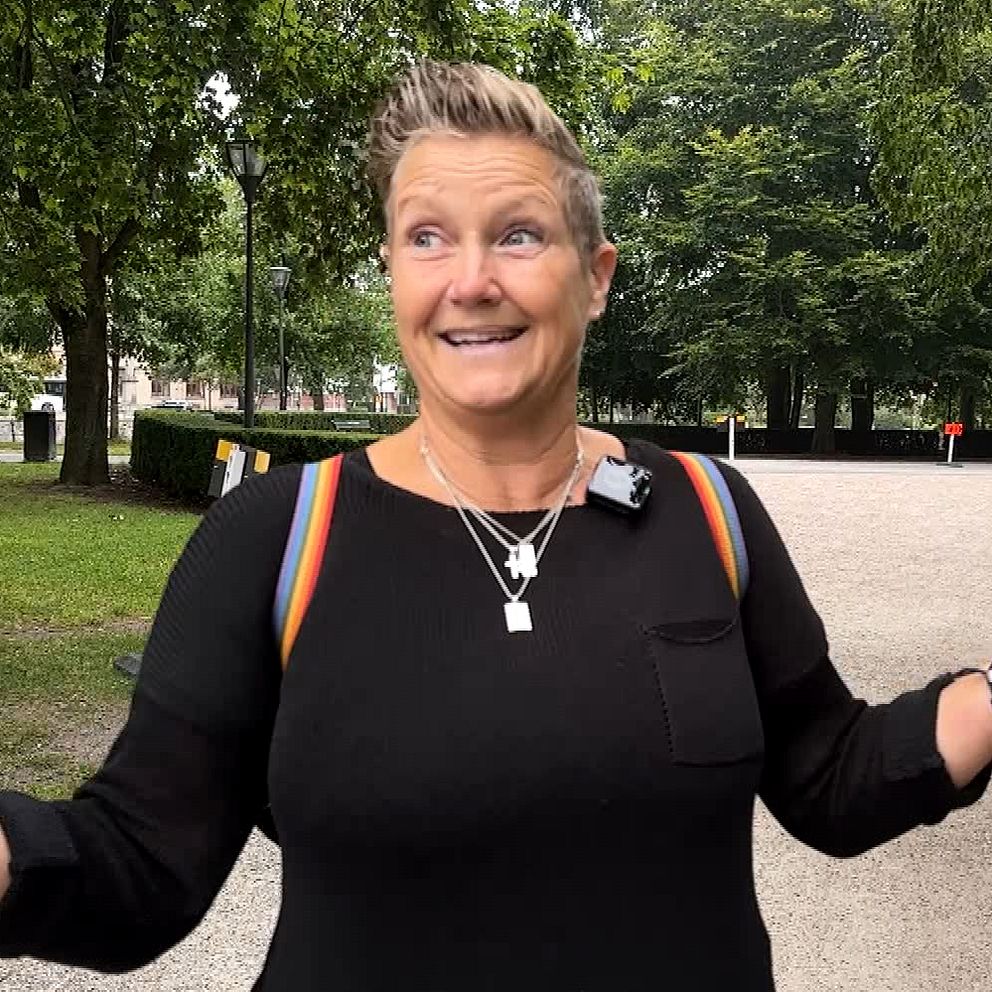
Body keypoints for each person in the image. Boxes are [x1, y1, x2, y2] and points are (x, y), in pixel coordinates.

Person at [1, 60, 990, 991]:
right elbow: (141, 862)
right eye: (427, 237)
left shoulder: (707, 510)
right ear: (393, 272)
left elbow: (831, 773)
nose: (469, 280)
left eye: (518, 235)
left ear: (595, 276)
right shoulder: (279, 538)